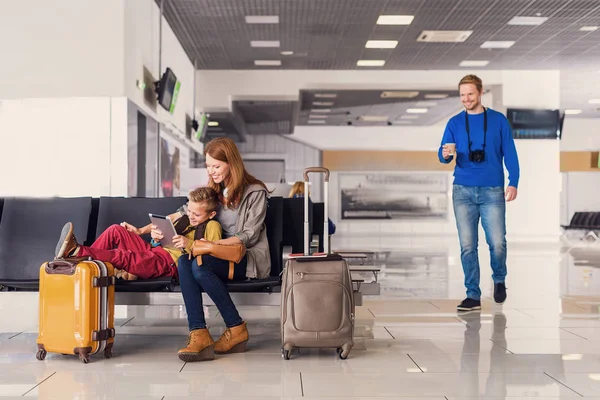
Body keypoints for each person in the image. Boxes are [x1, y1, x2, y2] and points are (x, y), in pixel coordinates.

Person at [177, 137, 271, 362]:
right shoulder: (213, 191)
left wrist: (209, 246)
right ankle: (198, 333)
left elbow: (249, 236)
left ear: (232, 163)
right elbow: (184, 212)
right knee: (184, 262)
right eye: (208, 166)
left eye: (216, 166)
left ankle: (236, 328)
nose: (211, 171)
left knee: (199, 266)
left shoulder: (255, 192)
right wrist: (151, 228)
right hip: (213, 255)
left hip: (244, 258)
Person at [438, 74, 520, 312]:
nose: (466, 99)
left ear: (480, 92)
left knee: (497, 242)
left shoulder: (498, 121)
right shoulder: (454, 123)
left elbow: (510, 154)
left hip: (492, 189)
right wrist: (444, 155)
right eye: (462, 95)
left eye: (470, 94)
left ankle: (499, 278)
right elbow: (442, 154)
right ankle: (472, 294)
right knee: (467, 245)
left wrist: (513, 181)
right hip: (462, 189)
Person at [54, 187, 222, 280]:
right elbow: (165, 242)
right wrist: (156, 238)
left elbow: (213, 256)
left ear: (211, 214)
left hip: (168, 264)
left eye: (197, 214)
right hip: (155, 251)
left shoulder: (213, 226)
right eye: (190, 211)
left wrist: (189, 244)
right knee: (116, 230)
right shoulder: (185, 219)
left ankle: (77, 253)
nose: (191, 216)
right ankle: (80, 264)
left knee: (123, 256)